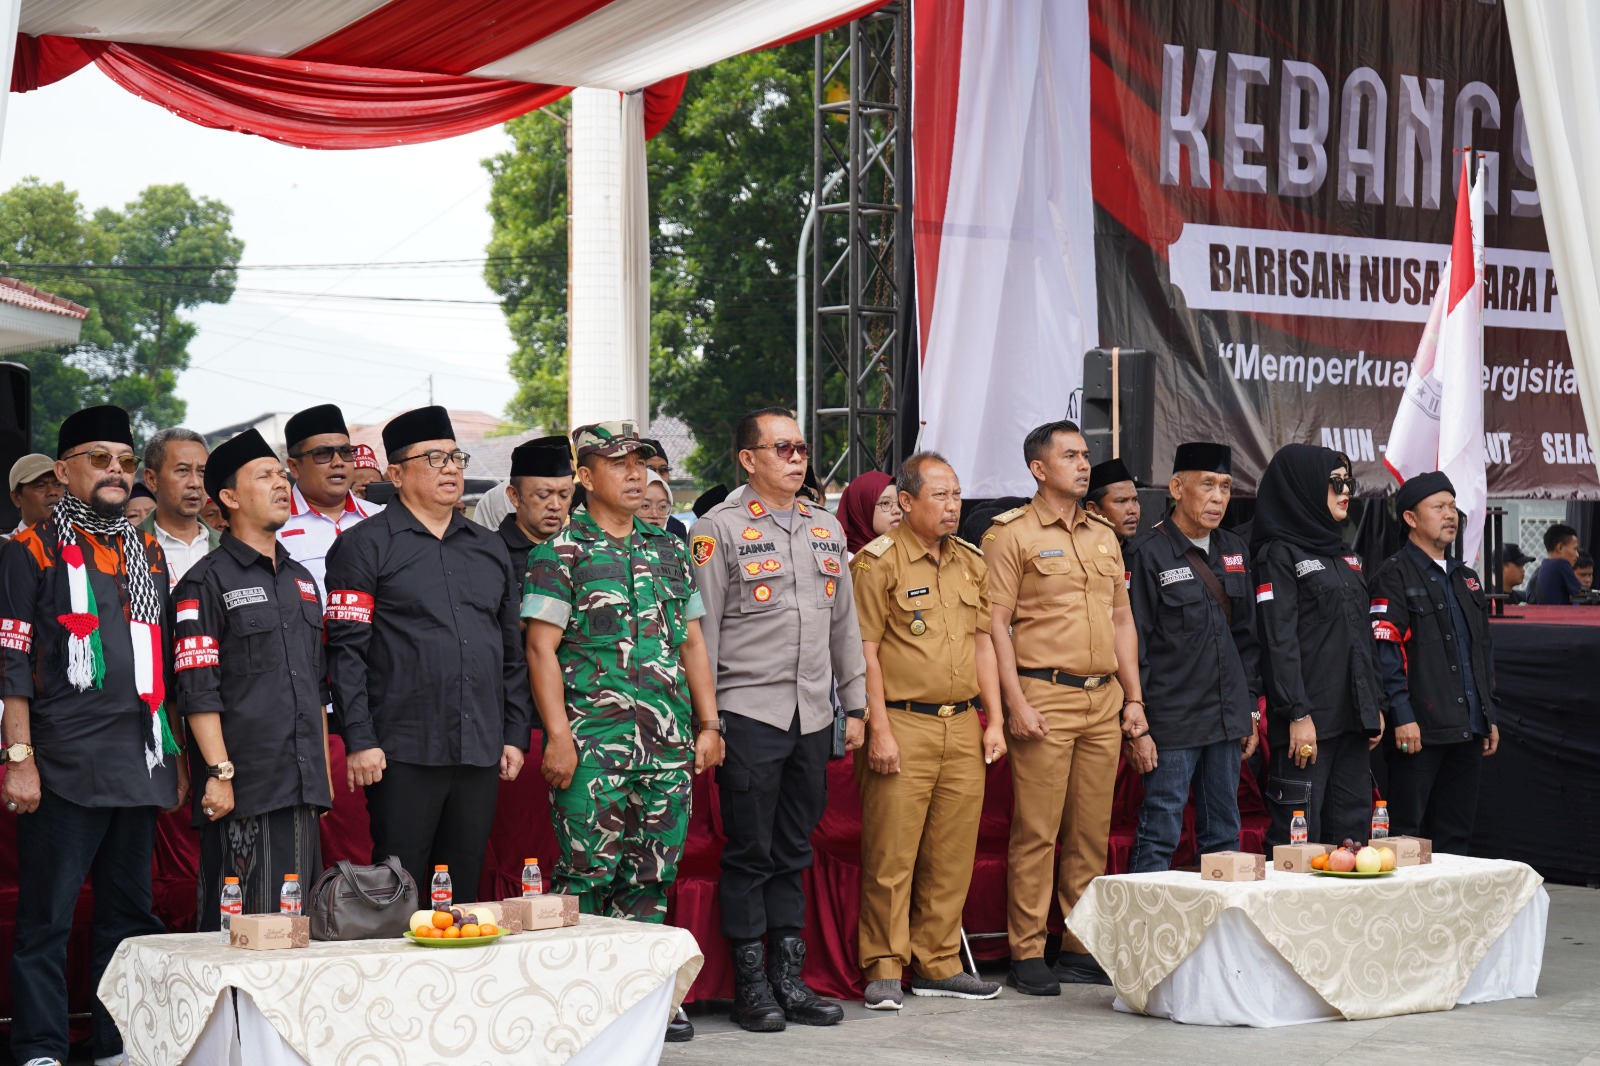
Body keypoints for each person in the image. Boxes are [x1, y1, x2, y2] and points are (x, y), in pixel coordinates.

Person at [522, 421, 723, 1044]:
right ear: (585, 477)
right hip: (593, 746)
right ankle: (578, 1005)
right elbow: (540, 649)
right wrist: (559, 737)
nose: (636, 475)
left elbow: (692, 641)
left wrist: (709, 722)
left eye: (642, 463)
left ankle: (642, 1002)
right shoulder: (560, 553)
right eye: (619, 464)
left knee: (652, 876)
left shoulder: (669, 549)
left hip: (666, 744)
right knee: (586, 876)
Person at [0, 404, 186, 1066]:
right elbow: (11, 661)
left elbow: (163, 661)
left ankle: (115, 1046)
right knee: (47, 919)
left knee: (128, 919)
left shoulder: (147, 551)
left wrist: (175, 755)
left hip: (139, 761)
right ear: (62, 470)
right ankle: (40, 1047)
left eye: (125, 461)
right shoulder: (30, 549)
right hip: (63, 763)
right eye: (99, 459)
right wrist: (19, 757)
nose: (115, 471)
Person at [689, 407, 867, 1033]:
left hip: (813, 713)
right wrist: (708, 722)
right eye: (782, 448)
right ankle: (751, 986)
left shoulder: (826, 526)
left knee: (794, 848)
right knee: (750, 852)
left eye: (802, 448)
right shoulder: (717, 529)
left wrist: (856, 705)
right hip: (748, 713)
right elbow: (702, 633)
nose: (797, 458)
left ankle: (790, 979)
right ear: (748, 459)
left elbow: (844, 625)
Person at [323, 405, 534, 901]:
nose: (451, 468)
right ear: (396, 474)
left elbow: (510, 650)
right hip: (403, 750)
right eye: (434, 458)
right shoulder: (363, 546)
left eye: (456, 457)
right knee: (399, 888)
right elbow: (346, 653)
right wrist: (360, 738)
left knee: (461, 889)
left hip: (479, 746)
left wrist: (514, 733)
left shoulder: (488, 548)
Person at [982, 420, 1146, 996]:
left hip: (1103, 697)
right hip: (1044, 695)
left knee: (1090, 832)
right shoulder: (1010, 534)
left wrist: (1134, 698)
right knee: (1037, 831)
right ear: (1039, 468)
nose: (1083, 465)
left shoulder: (1103, 534)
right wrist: (1015, 703)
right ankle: (1027, 950)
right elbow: (994, 627)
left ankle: (1078, 945)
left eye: (1085, 455)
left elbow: (1122, 619)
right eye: (1070, 456)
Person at [851, 452, 1006, 1010]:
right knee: (892, 854)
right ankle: (884, 967)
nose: (952, 506)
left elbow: (984, 644)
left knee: (952, 852)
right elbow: (864, 653)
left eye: (956, 495)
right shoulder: (877, 563)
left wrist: (995, 719)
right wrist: (879, 729)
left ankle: (939, 963)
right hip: (903, 721)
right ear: (907, 501)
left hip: (962, 723)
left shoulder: (970, 560)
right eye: (939, 495)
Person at [172, 429, 333, 926]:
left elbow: (316, 685)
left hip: (303, 785)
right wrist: (219, 774)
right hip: (244, 790)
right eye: (265, 476)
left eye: (282, 475)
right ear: (230, 497)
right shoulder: (204, 581)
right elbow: (196, 689)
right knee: (244, 934)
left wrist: (323, 778)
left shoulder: (302, 580)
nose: (282, 484)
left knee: (299, 932)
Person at [1123, 443, 1260, 872]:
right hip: (1173, 721)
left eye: (1226, 487)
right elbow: (1133, 643)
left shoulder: (1234, 549)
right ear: (1177, 488)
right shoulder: (1147, 552)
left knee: (1224, 833)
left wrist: (1249, 712)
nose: (1218, 497)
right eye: (1207, 485)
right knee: (1161, 829)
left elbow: (1247, 640)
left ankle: (1221, 917)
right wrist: (1138, 725)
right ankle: (1143, 917)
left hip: (1225, 719)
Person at [1252, 444, 1383, 849]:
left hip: (1353, 721)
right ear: (1305, 488)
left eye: (1349, 482)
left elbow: (1363, 638)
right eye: (1335, 483)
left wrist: (1374, 705)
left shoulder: (1346, 556)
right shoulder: (1278, 554)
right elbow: (1278, 640)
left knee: (1352, 842)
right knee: (1299, 846)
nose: (1346, 492)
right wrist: (1297, 713)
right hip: (1307, 724)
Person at [1370, 471, 1500, 855]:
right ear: (1410, 518)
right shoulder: (1393, 575)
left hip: (1468, 728)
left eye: (1453, 507)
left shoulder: (1467, 578)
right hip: (1418, 731)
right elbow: (1385, 651)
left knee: (1456, 837)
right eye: (1439, 507)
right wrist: (1401, 715)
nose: (1450, 515)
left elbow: (1482, 650)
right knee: (1406, 837)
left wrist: (1488, 714)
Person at [277, 404, 384, 602]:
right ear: (294, 467)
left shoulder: (380, 518)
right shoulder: (274, 525)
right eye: (323, 453)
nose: (338, 462)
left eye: (346, 452)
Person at [138, 427, 218, 588]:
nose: (195, 483)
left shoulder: (228, 547)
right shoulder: (127, 549)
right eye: (182, 470)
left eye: (202, 472)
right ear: (152, 479)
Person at [496, 435, 574, 571]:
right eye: (543, 495)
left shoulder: (580, 549)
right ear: (514, 496)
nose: (556, 506)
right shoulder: (490, 551)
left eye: (564, 495)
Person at [839, 471, 901, 556]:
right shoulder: (843, 560)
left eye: (900, 503)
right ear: (861, 510)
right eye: (885, 503)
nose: (897, 510)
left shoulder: (908, 552)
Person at [641, 437, 690, 540]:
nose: (657, 476)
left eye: (664, 470)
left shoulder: (677, 529)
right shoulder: (621, 526)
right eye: (650, 470)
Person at [1084, 458, 1141, 542]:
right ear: (1092, 509)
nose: (1133, 510)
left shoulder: (1144, 549)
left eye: (1135, 500)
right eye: (1121, 501)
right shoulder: (1079, 548)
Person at [7, 454, 64, 538]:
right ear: (16, 498)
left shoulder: (78, 540)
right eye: (40, 486)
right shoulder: (6, 545)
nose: (52, 492)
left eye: (58, 485)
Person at [1530, 523, 1583, 605]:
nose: (1577, 555)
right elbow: (1581, 594)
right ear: (1560, 548)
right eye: (1575, 549)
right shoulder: (1561, 564)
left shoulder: (1541, 569)